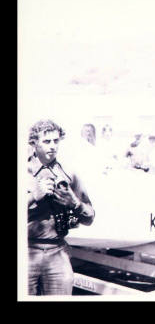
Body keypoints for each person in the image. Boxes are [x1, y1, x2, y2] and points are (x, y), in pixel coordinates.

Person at [27, 119, 95, 295]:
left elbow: (90, 217)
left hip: (57, 252)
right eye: (47, 141)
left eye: (56, 141)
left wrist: (75, 204)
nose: (53, 146)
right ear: (34, 143)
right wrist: (33, 197)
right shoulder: (23, 172)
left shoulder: (68, 173)